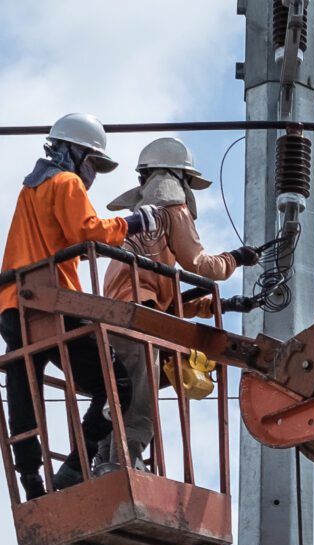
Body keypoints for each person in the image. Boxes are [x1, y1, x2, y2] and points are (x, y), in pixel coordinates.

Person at [0, 113, 153, 499]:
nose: (93, 173)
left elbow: (56, 242)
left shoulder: (30, 190)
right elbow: (89, 231)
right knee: (117, 386)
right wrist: (134, 222)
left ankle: (31, 480)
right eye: (94, 163)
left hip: (15, 305)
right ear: (78, 154)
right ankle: (74, 468)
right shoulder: (66, 183)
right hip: (54, 304)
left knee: (23, 392)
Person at [98, 137, 276, 467]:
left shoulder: (141, 222)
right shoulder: (172, 210)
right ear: (178, 177)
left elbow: (162, 295)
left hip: (116, 312)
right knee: (141, 394)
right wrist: (236, 258)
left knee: (121, 390)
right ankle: (125, 461)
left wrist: (224, 305)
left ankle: (105, 461)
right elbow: (200, 265)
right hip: (139, 315)